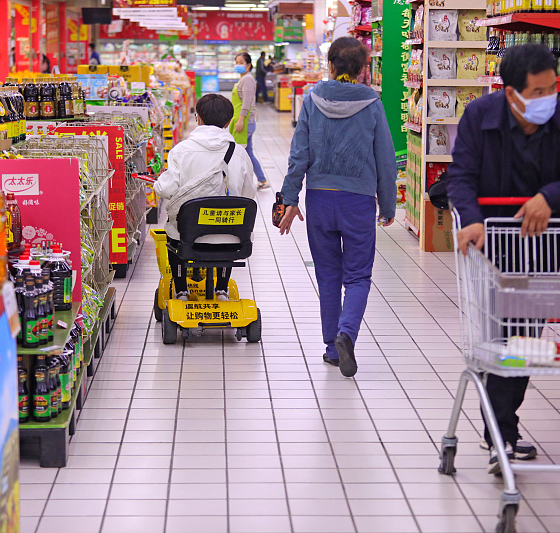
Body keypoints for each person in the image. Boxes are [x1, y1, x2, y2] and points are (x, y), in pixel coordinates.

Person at [446, 43, 560, 474]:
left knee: (525, 339)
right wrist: (472, 220)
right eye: (537, 91)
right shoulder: (480, 117)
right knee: (500, 338)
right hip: (491, 248)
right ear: (511, 92)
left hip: (543, 247)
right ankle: (503, 433)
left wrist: (550, 196)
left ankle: (502, 431)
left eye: (553, 88)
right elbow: (460, 177)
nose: (547, 99)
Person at [278, 37, 396, 378]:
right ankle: (347, 334)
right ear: (362, 70)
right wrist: (387, 205)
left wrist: (289, 200)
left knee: (328, 274)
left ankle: (332, 347)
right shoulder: (372, 103)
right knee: (357, 276)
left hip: (319, 198)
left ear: (330, 65)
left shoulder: (312, 99)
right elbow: (385, 159)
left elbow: (299, 154)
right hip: (357, 200)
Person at [153, 94, 256, 302]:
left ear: (197, 118)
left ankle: (181, 290)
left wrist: (157, 182)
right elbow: (249, 194)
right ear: (228, 122)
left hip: (189, 238)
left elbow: (166, 189)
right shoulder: (239, 153)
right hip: (233, 237)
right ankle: (222, 289)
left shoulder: (180, 151)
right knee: (229, 228)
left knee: (172, 230)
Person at [231, 52, 269, 191]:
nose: (238, 65)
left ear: (248, 65)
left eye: (241, 62)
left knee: (239, 154)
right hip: (246, 120)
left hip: (245, 121)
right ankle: (262, 179)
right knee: (248, 153)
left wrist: (240, 120)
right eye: (236, 62)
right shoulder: (244, 79)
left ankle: (241, 183)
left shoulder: (247, 79)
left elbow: (247, 102)